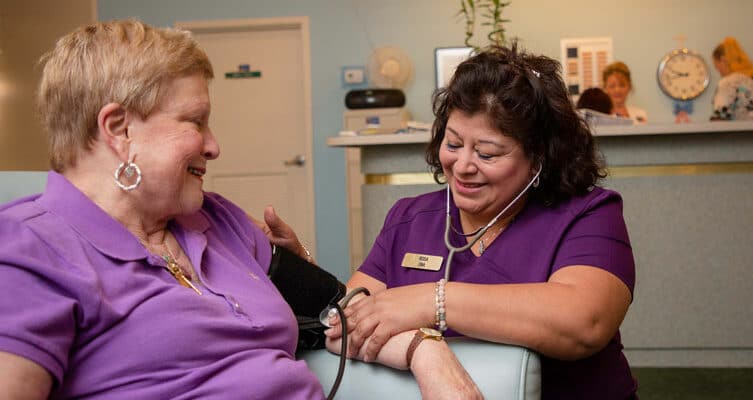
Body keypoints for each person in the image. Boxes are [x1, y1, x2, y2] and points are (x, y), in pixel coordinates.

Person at [0, 19, 328, 399]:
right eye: (195, 122)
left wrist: (415, 346)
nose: (213, 146)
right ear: (119, 129)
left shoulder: (218, 219)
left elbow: (337, 310)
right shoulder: (28, 251)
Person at [325, 43, 637, 399]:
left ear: (539, 158)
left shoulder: (588, 214)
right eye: (453, 144)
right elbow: (345, 325)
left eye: (487, 153)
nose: (463, 166)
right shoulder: (409, 218)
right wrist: (422, 349)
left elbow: (584, 323)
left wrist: (431, 302)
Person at [710, 37, 753, 121]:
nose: (719, 71)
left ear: (723, 60)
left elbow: (721, 115)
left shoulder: (728, 83)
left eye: (717, 66)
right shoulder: (749, 79)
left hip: (739, 132)